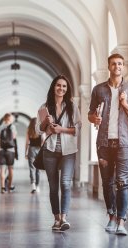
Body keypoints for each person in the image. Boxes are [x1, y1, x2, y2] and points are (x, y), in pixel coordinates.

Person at [88, 53, 128, 236]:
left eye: (120, 63)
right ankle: (111, 216)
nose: (117, 66)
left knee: (122, 183)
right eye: (114, 64)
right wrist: (94, 118)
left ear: (123, 67)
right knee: (107, 183)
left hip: (125, 143)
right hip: (104, 144)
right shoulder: (98, 90)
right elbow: (90, 114)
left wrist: (125, 104)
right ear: (109, 66)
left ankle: (121, 221)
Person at [35, 75, 81, 231]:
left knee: (65, 183)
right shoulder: (44, 107)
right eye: (58, 85)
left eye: (64, 86)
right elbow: (37, 130)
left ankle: (64, 218)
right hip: (50, 150)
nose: (61, 89)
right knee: (53, 186)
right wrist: (45, 122)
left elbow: (77, 129)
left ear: (67, 89)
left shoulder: (72, 107)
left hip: (68, 151)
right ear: (53, 87)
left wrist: (61, 129)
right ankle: (56, 218)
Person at [0, 113, 17, 194]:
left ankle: (2, 188)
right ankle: (10, 186)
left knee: (2, 169)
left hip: (1, 150)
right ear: (9, 119)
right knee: (10, 168)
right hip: (10, 150)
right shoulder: (13, 127)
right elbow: (14, 138)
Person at [25, 118, 42, 194]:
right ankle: (37, 186)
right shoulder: (41, 130)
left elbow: (27, 143)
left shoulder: (29, 130)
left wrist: (26, 152)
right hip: (39, 150)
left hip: (31, 150)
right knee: (38, 169)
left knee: (32, 168)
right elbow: (43, 141)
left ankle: (33, 186)